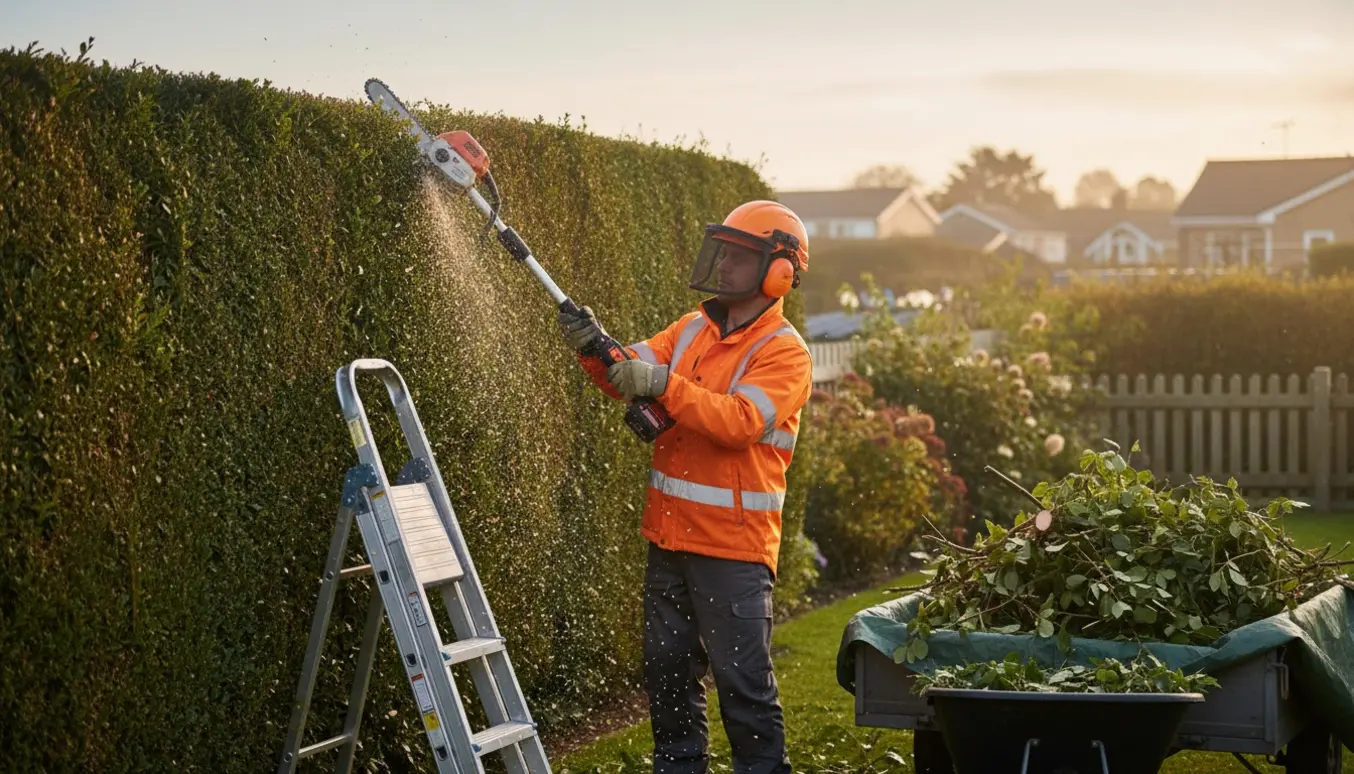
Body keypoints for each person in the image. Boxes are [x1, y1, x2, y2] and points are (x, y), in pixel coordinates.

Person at [557, 200, 814, 774]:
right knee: (669, 679)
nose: (723, 265)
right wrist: (594, 349)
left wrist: (664, 385)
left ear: (778, 272)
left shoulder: (785, 353)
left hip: (734, 550)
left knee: (743, 688)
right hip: (670, 540)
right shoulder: (692, 328)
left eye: (739, 256)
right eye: (722, 250)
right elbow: (633, 371)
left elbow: (740, 421)